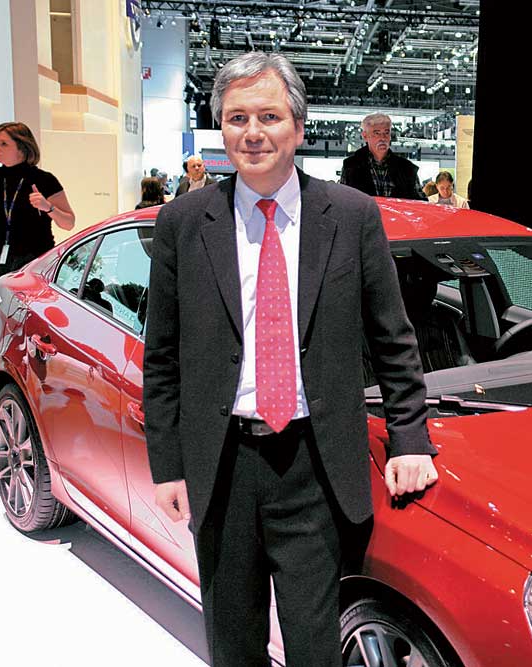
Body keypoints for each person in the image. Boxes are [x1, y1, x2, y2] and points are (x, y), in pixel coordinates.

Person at [142, 52, 438, 667]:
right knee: (233, 645)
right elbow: (162, 356)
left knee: (315, 646)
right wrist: (168, 465)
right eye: (237, 118)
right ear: (222, 129)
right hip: (222, 465)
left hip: (314, 465)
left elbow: (393, 339)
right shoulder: (183, 222)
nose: (253, 132)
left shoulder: (351, 217)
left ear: (298, 128)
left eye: (269, 116)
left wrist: (410, 439)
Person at [0, 122, 76, 291]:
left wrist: (48, 207)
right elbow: (1, 217)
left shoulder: (44, 179)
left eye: (3, 144)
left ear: (22, 147)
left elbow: (69, 223)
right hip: (2, 256)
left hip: (35, 258)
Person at [340, 112, 423, 199]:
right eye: (377, 133)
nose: (383, 138)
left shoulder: (407, 169)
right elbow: (342, 200)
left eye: (386, 133)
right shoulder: (351, 166)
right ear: (365, 136)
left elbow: (421, 202)